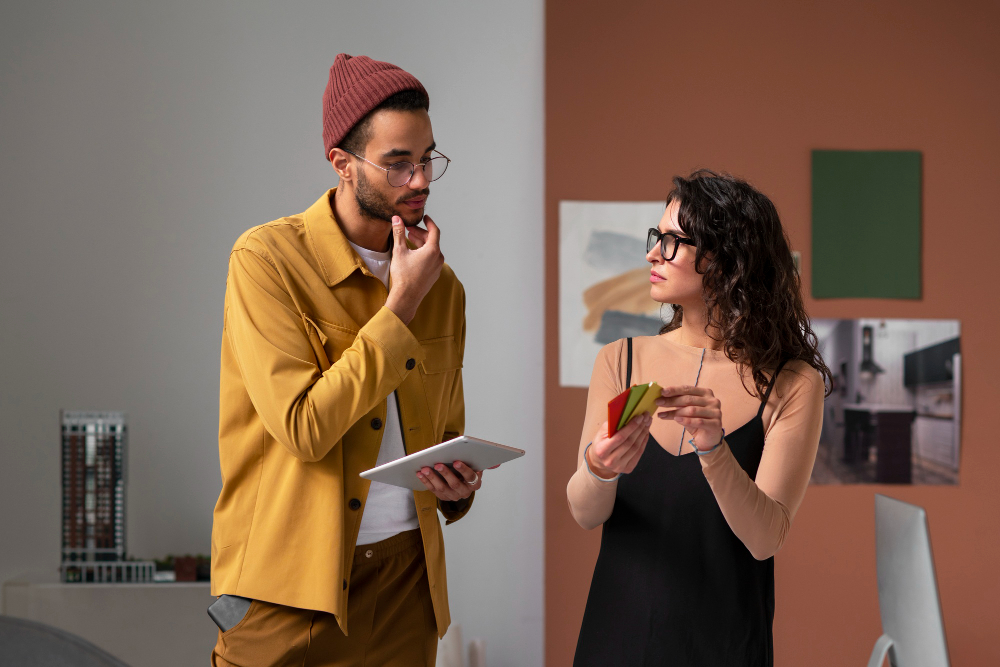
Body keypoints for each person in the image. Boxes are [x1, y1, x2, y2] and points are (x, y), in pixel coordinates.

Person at [210, 54, 482, 666]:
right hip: (287, 593)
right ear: (342, 162)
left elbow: (443, 434)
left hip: (408, 586)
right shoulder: (267, 261)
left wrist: (457, 486)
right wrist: (401, 306)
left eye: (427, 158)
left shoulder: (446, 289)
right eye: (397, 163)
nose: (420, 181)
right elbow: (305, 429)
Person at [566, 170, 831, 666]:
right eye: (656, 238)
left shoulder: (793, 383)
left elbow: (764, 538)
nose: (653, 254)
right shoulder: (620, 361)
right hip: (616, 638)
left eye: (673, 242)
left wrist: (714, 449)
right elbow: (585, 513)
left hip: (726, 646)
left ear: (728, 260)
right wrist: (600, 468)